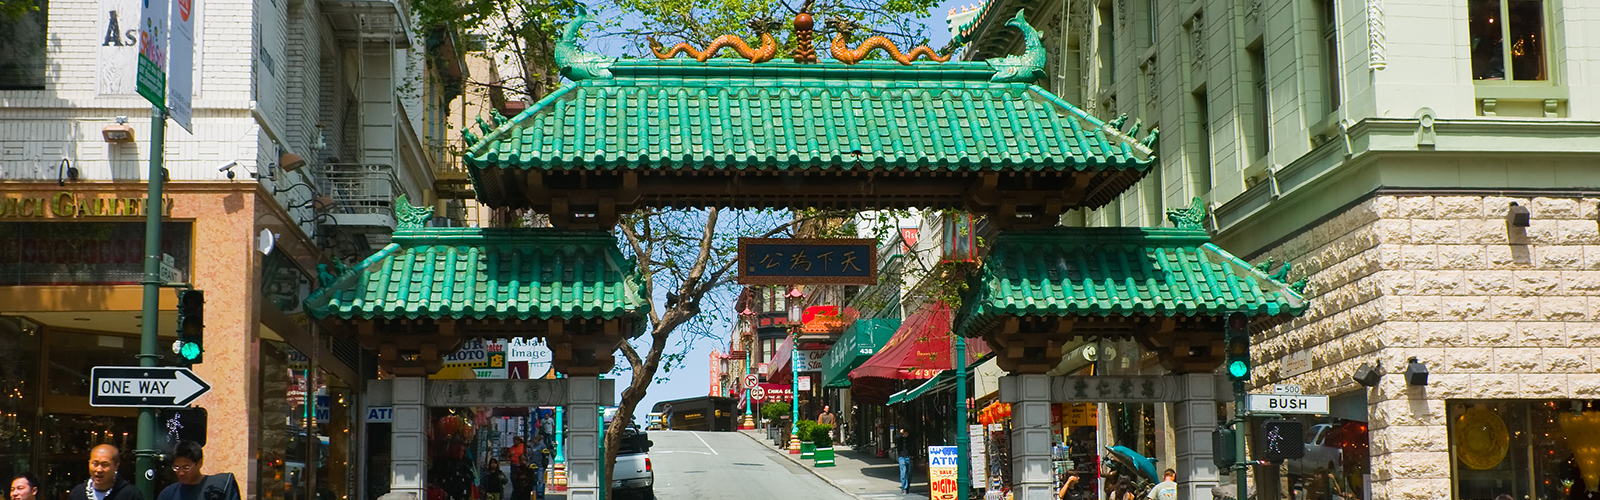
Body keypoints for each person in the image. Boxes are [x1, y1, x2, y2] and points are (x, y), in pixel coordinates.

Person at [157, 441, 242, 500]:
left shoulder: (220, 487)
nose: (181, 473)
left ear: (200, 463)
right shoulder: (168, 494)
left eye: (186, 467)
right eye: (176, 468)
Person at [69, 444, 143, 500]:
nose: (99, 469)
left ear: (116, 466)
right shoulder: (78, 493)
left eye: (105, 465)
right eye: (95, 464)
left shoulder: (130, 495)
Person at [525, 430, 549, 500]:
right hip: (532, 465)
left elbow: (545, 456)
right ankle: (534, 491)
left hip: (540, 465)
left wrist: (545, 465)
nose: (532, 441)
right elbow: (530, 455)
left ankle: (540, 493)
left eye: (534, 439)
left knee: (540, 479)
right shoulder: (532, 446)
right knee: (533, 479)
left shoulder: (542, 446)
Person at [895, 428, 913, 494]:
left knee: (909, 473)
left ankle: (907, 486)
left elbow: (915, 436)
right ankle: (904, 488)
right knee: (903, 473)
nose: (905, 435)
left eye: (906, 433)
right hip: (901, 457)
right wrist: (901, 433)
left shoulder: (910, 439)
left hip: (909, 457)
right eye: (904, 433)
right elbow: (896, 437)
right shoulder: (900, 439)